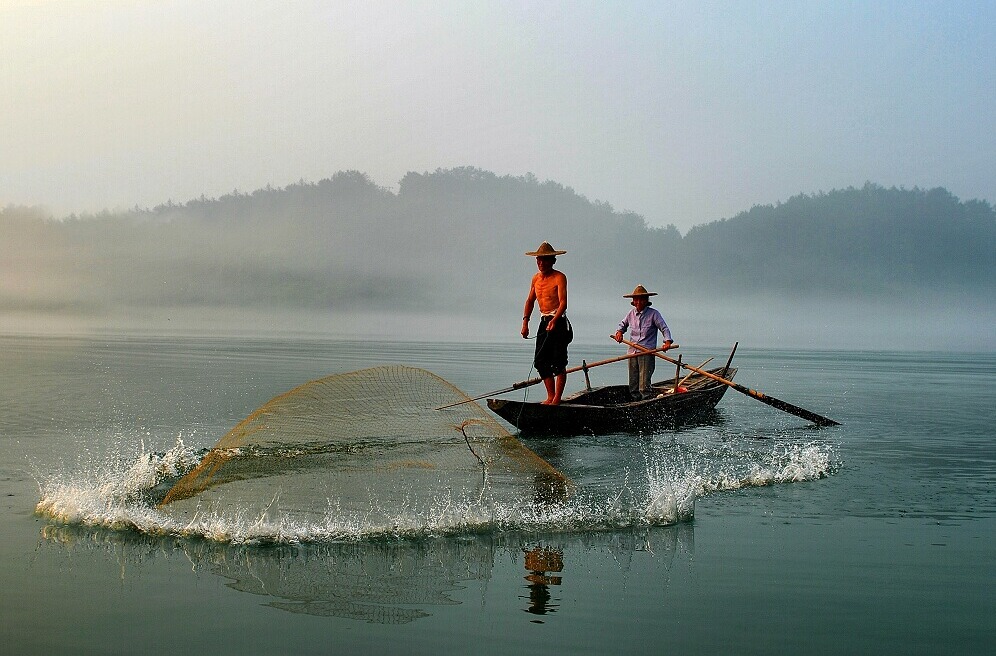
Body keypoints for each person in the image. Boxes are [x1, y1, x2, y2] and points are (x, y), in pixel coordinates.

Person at [521, 241, 571, 405]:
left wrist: (555, 320)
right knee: (540, 361)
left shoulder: (559, 277)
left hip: (559, 321)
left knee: (558, 361)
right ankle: (550, 395)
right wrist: (525, 322)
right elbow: (529, 301)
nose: (541, 263)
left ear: (553, 260)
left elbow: (563, 303)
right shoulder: (535, 279)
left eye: (545, 260)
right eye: (539, 260)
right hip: (544, 321)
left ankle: (557, 398)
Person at [613, 285, 673, 400]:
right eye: (636, 299)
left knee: (644, 384)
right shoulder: (630, 314)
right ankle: (635, 401)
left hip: (646, 352)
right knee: (633, 382)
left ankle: (646, 402)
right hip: (632, 352)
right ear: (633, 302)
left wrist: (667, 341)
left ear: (646, 301)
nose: (639, 302)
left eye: (642, 299)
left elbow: (664, 328)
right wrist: (619, 333)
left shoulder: (654, 314)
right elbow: (622, 325)